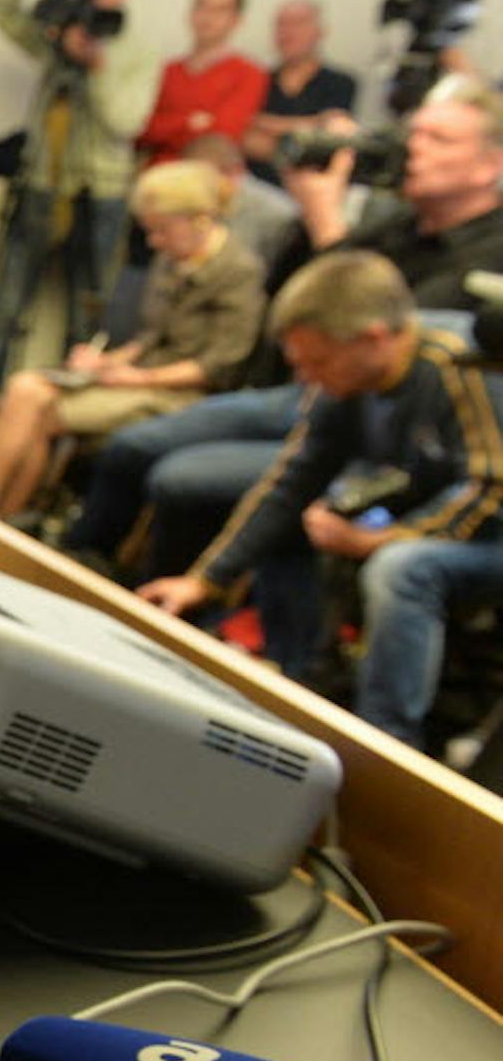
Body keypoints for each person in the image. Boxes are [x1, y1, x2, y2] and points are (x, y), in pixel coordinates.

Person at [62, 81, 503, 573]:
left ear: (491, 164)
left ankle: (165, 600)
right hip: (309, 391)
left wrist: (328, 219)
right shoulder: (399, 223)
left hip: (374, 429)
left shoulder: (492, 251)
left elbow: (373, 341)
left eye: (438, 139)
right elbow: (288, 293)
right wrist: (311, 203)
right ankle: (80, 560)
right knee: (133, 444)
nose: (413, 149)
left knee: (178, 476)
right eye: (414, 134)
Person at [138, 252, 503, 748]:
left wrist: (377, 540)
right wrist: (204, 580)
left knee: (401, 567)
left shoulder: (459, 366)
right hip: (428, 510)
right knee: (311, 515)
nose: (308, 376)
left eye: (317, 361)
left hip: (490, 533)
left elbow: (491, 492)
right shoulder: (345, 378)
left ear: (373, 338)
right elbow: (291, 480)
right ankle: (299, 687)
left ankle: (386, 745)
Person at [0, 161, 262, 520]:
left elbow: (220, 366)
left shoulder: (238, 271)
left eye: (162, 231)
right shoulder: (171, 260)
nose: (154, 241)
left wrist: (137, 378)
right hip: (140, 376)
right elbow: (151, 338)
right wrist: (107, 362)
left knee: (41, 409)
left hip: (182, 394)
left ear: (198, 218)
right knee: (26, 387)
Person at [0, 0, 161, 397]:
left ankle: (64, 410)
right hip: (41, 185)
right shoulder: (60, 34)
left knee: (86, 313)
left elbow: (126, 123)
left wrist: (98, 68)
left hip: (102, 193)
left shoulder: (138, 49)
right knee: (5, 305)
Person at [136, 0, 268, 169]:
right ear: (190, 14)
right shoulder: (167, 71)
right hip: (157, 178)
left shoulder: (249, 73)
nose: (208, 17)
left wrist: (170, 127)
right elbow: (142, 130)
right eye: (202, 7)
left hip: (211, 180)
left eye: (220, 10)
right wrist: (189, 122)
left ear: (236, 21)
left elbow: (222, 136)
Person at [242, 0, 359, 184]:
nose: (287, 32)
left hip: (316, 188)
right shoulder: (256, 80)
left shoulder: (342, 82)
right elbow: (245, 134)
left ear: (320, 31)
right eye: (281, 24)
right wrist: (313, 123)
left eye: (298, 23)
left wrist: (266, 125)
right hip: (259, 187)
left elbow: (334, 135)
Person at [186, 132, 300, 275]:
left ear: (235, 170)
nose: (195, 187)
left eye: (203, 178)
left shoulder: (278, 213)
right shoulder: (199, 203)